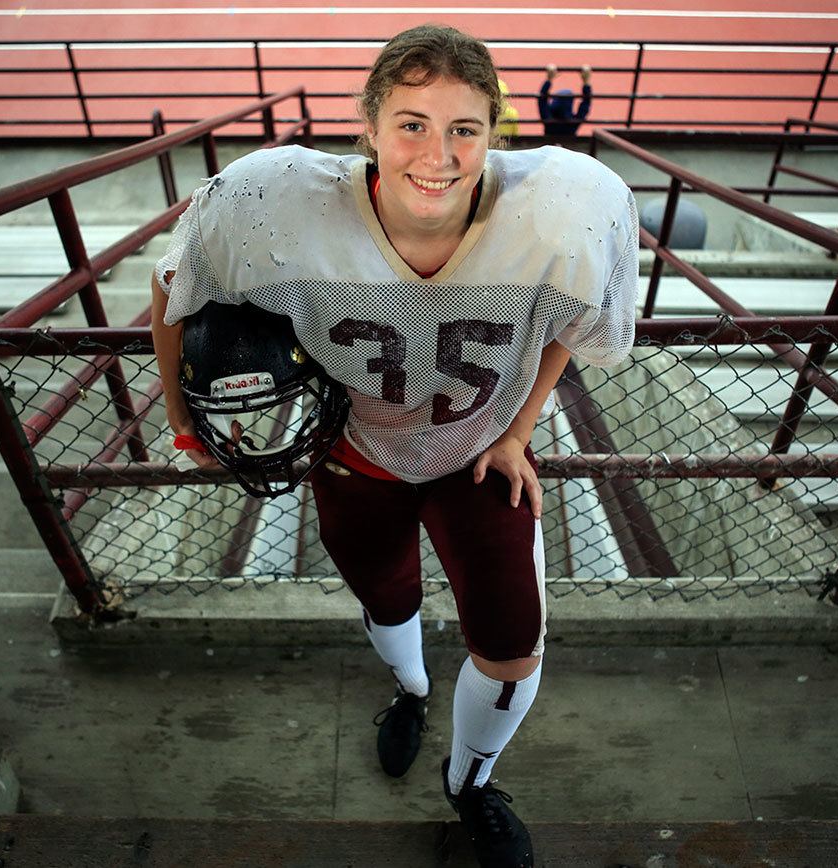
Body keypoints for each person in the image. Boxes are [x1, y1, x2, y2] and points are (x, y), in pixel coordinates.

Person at [150, 24, 637, 868]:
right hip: (355, 453)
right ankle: (410, 692)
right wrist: (181, 418)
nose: (437, 155)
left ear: (496, 132)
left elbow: (573, 314)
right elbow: (171, 288)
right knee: (386, 599)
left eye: (464, 129)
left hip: (474, 450)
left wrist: (521, 430)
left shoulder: (559, 212)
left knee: (514, 649)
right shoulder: (273, 202)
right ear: (368, 126)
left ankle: (471, 783)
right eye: (412, 123)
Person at [538, 64, 592, 136]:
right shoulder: (573, 122)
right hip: (568, 145)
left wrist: (549, 79)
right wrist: (586, 82)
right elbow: (586, 104)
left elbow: (542, 99)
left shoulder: (548, 118)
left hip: (549, 144)